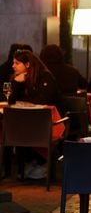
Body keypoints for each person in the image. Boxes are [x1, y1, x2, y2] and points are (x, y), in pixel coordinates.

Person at [9, 49, 63, 180]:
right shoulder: (19, 78)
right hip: (27, 120)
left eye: (17, 63)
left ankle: (38, 164)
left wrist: (24, 100)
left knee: (22, 130)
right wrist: (16, 84)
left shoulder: (45, 77)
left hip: (47, 121)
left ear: (27, 64)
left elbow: (43, 100)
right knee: (12, 129)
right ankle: (24, 166)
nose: (13, 66)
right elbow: (11, 101)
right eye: (13, 63)